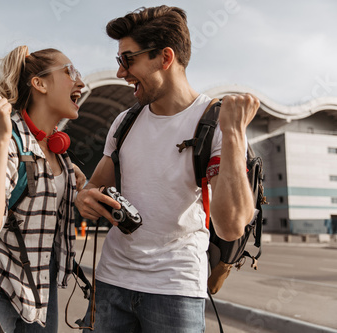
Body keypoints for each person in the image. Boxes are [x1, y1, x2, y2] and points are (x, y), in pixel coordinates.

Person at [75, 5, 260, 332]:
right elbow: (93, 188)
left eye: (127, 59)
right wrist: (86, 199)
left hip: (174, 292)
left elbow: (231, 226)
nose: (121, 72)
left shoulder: (216, 124)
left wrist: (233, 134)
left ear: (165, 57)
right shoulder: (124, 122)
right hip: (112, 283)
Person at [0, 45, 86, 332]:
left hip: (40, 293)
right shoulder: (8, 141)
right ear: (39, 83)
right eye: (70, 72)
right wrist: (1, 138)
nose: (80, 82)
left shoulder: (57, 154)